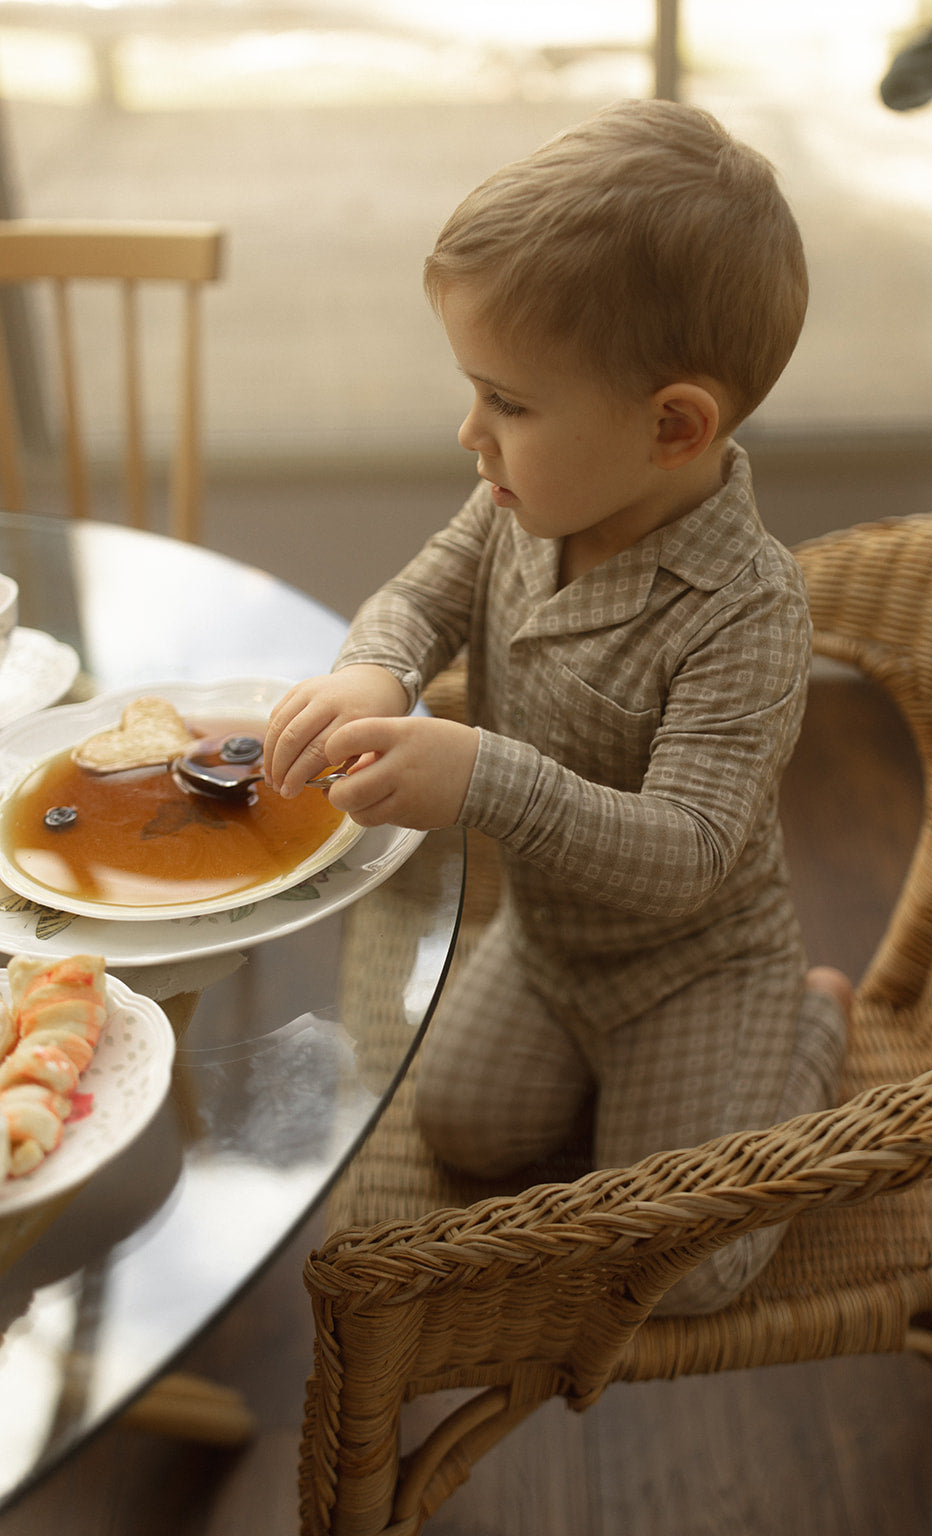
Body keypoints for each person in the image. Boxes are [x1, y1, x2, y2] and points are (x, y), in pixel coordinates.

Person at [264, 98, 851, 1314]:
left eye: (509, 403)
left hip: (698, 964)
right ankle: (634, 1081)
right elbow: (417, 598)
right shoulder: (518, 505)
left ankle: (804, 1031)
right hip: (553, 939)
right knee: (465, 1126)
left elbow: (690, 852)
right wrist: (376, 667)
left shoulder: (748, 609)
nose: (469, 432)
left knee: (685, 1271)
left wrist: (479, 774)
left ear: (673, 426)